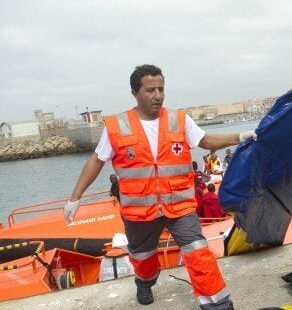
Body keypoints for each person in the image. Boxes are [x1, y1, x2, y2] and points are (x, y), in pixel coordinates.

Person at [63, 64, 256, 309]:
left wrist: (239, 137)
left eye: (161, 89)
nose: (158, 95)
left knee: (198, 252)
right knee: (142, 258)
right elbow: (96, 160)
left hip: (180, 206)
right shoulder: (116, 126)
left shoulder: (179, 120)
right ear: (135, 93)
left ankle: (217, 304)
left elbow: (206, 140)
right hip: (139, 212)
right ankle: (144, 282)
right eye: (150, 90)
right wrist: (75, 198)